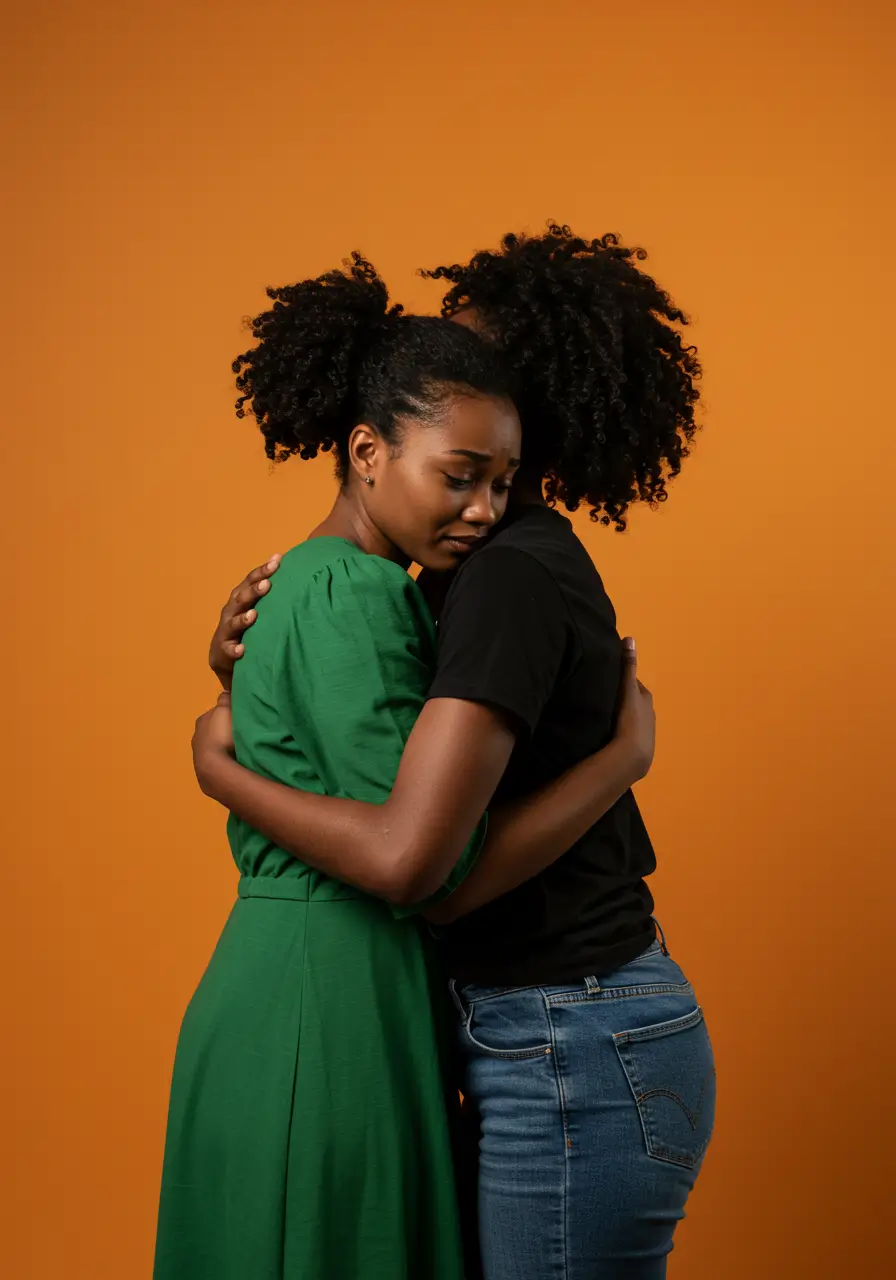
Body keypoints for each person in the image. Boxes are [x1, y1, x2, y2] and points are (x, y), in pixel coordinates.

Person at [200, 224, 716, 1280]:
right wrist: (240, 669)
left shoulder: (505, 574)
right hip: (542, 1029)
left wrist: (220, 770)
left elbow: (417, 871)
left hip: (572, 1034)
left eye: (464, 347)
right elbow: (352, 737)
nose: (435, 351)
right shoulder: (417, 572)